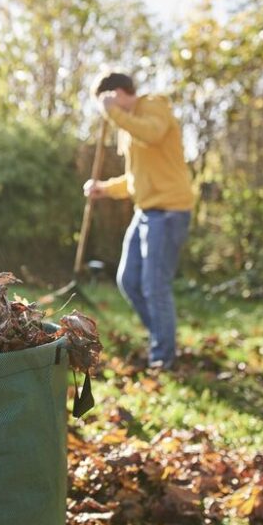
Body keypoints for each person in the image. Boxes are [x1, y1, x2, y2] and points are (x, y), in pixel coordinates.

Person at [84, 72, 194, 370]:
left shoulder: (153, 105)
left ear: (118, 92)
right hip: (146, 212)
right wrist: (104, 188)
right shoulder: (127, 124)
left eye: (105, 102)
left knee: (155, 286)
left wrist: (115, 113)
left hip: (169, 212)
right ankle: (163, 337)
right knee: (129, 281)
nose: (104, 110)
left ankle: (163, 357)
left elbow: (153, 133)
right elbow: (135, 180)